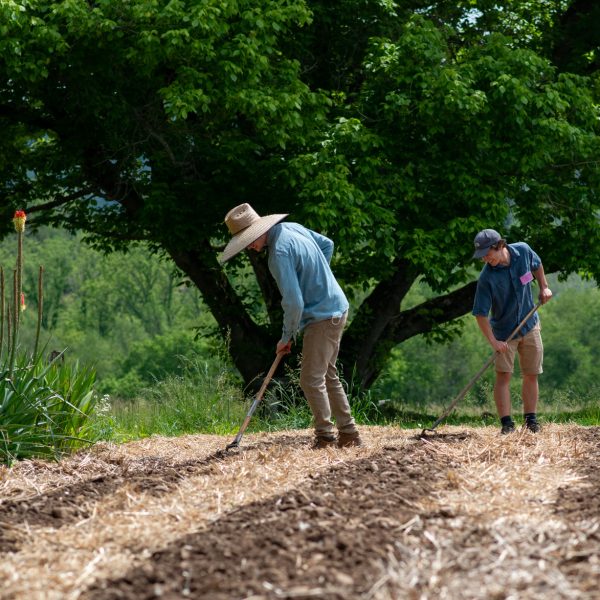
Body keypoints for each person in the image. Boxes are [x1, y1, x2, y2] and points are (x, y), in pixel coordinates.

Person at [220, 203, 362, 449]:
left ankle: (326, 437)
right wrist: (318, 279)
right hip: (337, 308)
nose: (250, 248)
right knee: (327, 375)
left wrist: (287, 336)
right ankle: (349, 434)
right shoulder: (291, 228)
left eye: (249, 241)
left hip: (324, 316)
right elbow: (327, 244)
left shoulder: (278, 255)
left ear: (259, 231)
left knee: (310, 378)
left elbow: (294, 303)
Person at [472, 229, 553, 434]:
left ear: (499, 246)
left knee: (532, 373)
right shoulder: (486, 279)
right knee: (504, 377)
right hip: (504, 333)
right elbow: (480, 314)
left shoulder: (523, 251)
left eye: (486, 254)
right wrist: (494, 342)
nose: (484, 259)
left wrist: (544, 286)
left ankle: (531, 420)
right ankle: (507, 424)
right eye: (481, 256)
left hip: (529, 324)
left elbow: (537, 264)